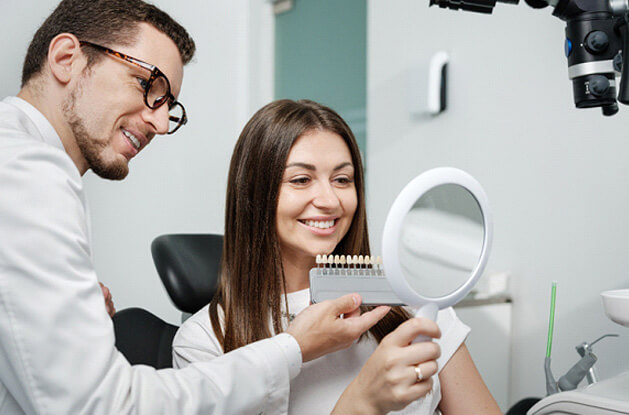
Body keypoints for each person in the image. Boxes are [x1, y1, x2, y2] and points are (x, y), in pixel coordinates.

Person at [0, 2, 397, 414]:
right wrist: (294, 349)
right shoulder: (29, 171)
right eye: (147, 85)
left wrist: (67, 317)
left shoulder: (395, 300)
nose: (158, 122)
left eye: (168, 104)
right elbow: (99, 406)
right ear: (66, 58)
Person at [172, 99, 502, 415]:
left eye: (342, 179)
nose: (330, 200)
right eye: (301, 180)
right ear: (255, 194)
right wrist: (362, 403)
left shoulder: (414, 303)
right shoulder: (203, 343)